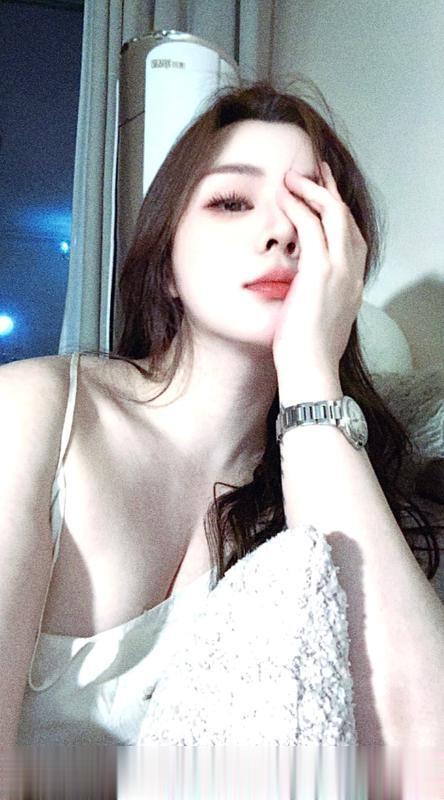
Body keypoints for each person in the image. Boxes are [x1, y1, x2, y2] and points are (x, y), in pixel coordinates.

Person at [1, 80, 443, 752]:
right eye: (232, 202)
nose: (281, 231)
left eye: (311, 208)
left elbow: (421, 754)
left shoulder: (332, 479)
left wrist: (311, 377)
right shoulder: (35, 414)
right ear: (166, 263)